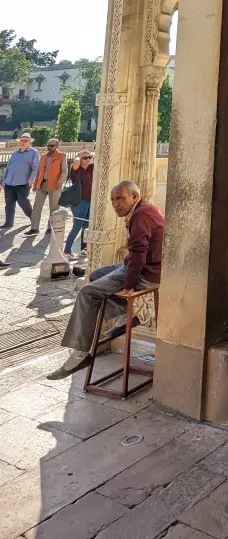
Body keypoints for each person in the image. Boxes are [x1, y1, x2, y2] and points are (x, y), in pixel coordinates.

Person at [47, 180, 164, 380]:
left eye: (120, 198)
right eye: (112, 200)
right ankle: (128, 313)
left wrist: (128, 286)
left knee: (87, 292)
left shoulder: (141, 214)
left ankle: (82, 352)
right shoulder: (143, 209)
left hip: (146, 271)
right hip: (142, 265)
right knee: (94, 275)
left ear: (134, 197)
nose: (116, 204)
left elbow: (138, 254)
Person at [27, 137, 68, 236]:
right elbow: (39, 171)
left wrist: (59, 183)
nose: (49, 147)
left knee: (54, 208)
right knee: (37, 206)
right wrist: (36, 184)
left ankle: (51, 228)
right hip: (42, 184)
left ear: (57, 146)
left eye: (52, 146)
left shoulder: (62, 156)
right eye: (48, 145)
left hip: (54, 185)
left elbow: (64, 171)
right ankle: (34, 228)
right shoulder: (44, 156)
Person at [1, 132, 39, 230]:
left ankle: (32, 217)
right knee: (9, 203)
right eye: (22, 140)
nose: (23, 142)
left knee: (23, 201)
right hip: (9, 182)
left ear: (29, 142)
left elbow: (35, 168)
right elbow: (8, 167)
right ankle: (9, 222)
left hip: (23, 183)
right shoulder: (15, 153)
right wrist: (3, 181)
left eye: (25, 141)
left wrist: (32, 179)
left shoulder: (34, 153)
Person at [64, 150, 93, 256]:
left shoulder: (91, 167)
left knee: (87, 225)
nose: (88, 159)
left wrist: (89, 156)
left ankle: (83, 248)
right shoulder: (76, 169)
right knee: (77, 225)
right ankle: (67, 249)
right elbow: (75, 162)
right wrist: (79, 156)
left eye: (89, 157)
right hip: (79, 201)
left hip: (90, 201)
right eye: (85, 158)